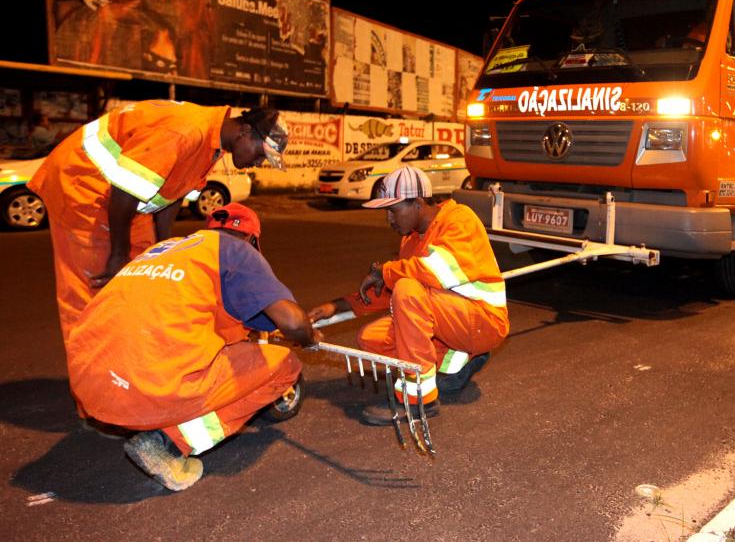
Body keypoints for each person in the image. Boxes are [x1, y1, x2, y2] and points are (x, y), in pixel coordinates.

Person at [28, 100, 289, 417]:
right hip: (85, 190)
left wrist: (165, 247)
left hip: (125, 203)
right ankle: (96, 400)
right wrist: (118, 254)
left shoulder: (212, 142)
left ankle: (133, 378)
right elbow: (124, 191)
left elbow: (171, 194)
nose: (257, 163)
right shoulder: (185, 132)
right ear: (245, 131)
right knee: (96, 298)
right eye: (261, 154)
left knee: (143, 284)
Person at [65, 203, 320, 491]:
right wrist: (308, 338)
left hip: (91, 386)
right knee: (283, 364)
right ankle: (168, 444)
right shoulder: (238, 251)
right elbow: (293, 322)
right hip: (145, 389)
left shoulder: (169, 249)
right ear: (252, 239)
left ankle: (113, 421)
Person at [307, 166, 509, 424]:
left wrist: (386, 272)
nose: (388, 219)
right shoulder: (412, 239)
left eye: (393, 210)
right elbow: (391, 287)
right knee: (372, 338)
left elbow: (434, 272)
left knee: (407, 291)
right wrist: (338, 306)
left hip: (484, 322)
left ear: (419, 203)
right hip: (451, 323)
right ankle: (455, 365)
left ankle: (419, 402)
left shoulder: (459, 218)